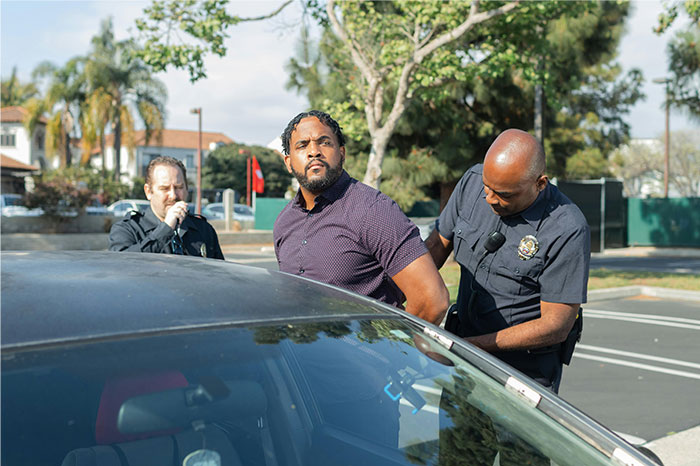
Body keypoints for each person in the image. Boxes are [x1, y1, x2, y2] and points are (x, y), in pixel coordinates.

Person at [426, 128, 590, 393]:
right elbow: (435, 246)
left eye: (505, 194)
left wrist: (474, 345)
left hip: (522, 375)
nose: (490, 199)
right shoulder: (471, 181)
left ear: (540, 183)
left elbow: (556, 325)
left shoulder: (567, 228)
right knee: (456, 434)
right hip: (464, 360)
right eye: (487, 187)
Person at [274, 110, 449, 326]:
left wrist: (398, 353)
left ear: (342, 153)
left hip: (368, 356)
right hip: (304, 355)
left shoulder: (374, 211)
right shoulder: (284, 222)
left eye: (324, 142)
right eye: (302, 145)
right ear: (288, 162)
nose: (314, 151)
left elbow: (431, 300)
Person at [109, 156, 224, 259]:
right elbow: (122, 264)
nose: (173, 195)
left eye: (178, 187)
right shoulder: (127, 229)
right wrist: (165, 229)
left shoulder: (203, 230)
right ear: (148, 192)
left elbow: (219, 275)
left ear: (186, 189)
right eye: (165, 189)